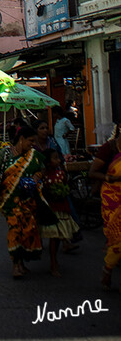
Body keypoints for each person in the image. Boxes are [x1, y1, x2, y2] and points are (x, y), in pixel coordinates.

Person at [0, 124, 50, 279]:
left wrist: (37, 177)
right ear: (21, 139)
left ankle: (21, 262)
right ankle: (15, 264)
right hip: (9, 200)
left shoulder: (33, 155)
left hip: (29, 200)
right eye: (30, 141)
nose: (32, 144)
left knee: (28, 230)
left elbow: (43, 168)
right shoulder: (6, 153)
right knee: (15, 229)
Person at [89, 124, 121, 290]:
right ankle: (108, 268)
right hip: (113, 200)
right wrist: (112, 179)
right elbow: (92, 172)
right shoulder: (109, 148)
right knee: (118, 239)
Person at [39, 147, 80, 276]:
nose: (58, 160)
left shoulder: (61, 173)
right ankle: (53, 262)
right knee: (54, 237)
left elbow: (65, 186)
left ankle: (54, 261)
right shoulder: (43, 176)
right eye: (55, 158)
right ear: (48, 162)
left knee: (56, 238)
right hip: (51, 209)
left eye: (58, 158)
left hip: (61, 207)